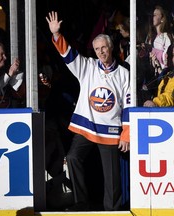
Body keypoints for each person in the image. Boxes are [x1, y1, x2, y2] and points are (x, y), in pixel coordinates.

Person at [46, 11, 130, 211]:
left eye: (104, 48)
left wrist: (126, 134)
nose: (101, 52)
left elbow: (127, 106)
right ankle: (81, 203)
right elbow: (68, 54)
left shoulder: (124, 73)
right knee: (73, 157)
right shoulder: (88, 66)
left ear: (110, 48)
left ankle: (112, 210)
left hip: (110, 129)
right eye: (97, 49)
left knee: (112, 175)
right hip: (87, 126)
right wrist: (57, 35)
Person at [0, 41, 25, 108]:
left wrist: (14, 74)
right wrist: (10, 73)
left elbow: (16, 90)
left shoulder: (1, 71)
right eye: (1, 54)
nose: (5, 57)